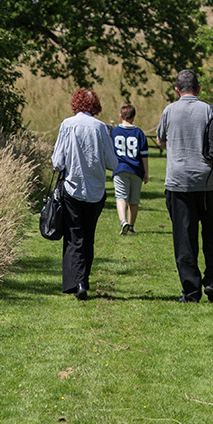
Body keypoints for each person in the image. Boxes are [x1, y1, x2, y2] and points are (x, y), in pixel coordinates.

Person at [152, 68, 213, 302]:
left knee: (184, 237)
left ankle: (191, 290)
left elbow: (160, 140)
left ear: (177, 90)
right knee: (212, 232)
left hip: (179, 183)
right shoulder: (211, 110)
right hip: (210, 183)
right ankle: (212, 281)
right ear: (198, 89)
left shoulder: (169, 111)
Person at [50, 87, 118, 300]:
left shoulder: (68, 125)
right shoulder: (101, 128)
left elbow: (57, 161)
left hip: (73, 186)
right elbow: (112, 162)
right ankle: (81, 280)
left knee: (74, 236)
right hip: (96, 190)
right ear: (95, 105)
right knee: (88, 236)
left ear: (75, 104)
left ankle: (77, 282)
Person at [110, 104, 148, 234]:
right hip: (136, 169)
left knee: (121, 197)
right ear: (134, 117)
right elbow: (144, 155)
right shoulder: (139, 133)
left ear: (120, 116)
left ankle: (123, 221)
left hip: (119, 168)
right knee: (134, 200)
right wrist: (146, 172)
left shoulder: (114, 131)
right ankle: (131, 226)